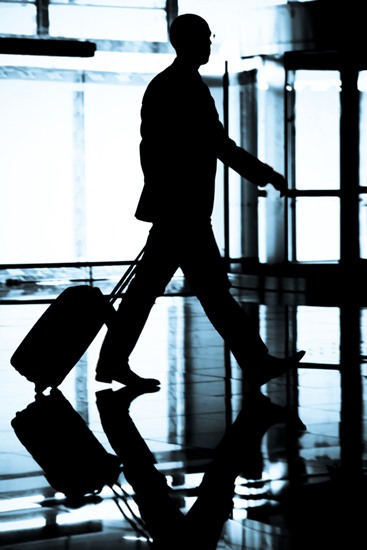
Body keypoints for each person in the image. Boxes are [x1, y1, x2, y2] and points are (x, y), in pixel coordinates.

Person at [95, 13, 305, 390]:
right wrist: (266, 174)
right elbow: (218, 145)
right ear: (190, 42)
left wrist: (161, 195)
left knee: (161, 293)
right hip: (185, 213)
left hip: (175, 210)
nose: (210, 44)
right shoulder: (185, 88)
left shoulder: (166, 85)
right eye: (206, 39)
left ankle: (112, 362)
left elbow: (152, 150)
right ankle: (255, 362)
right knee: (209, 293)